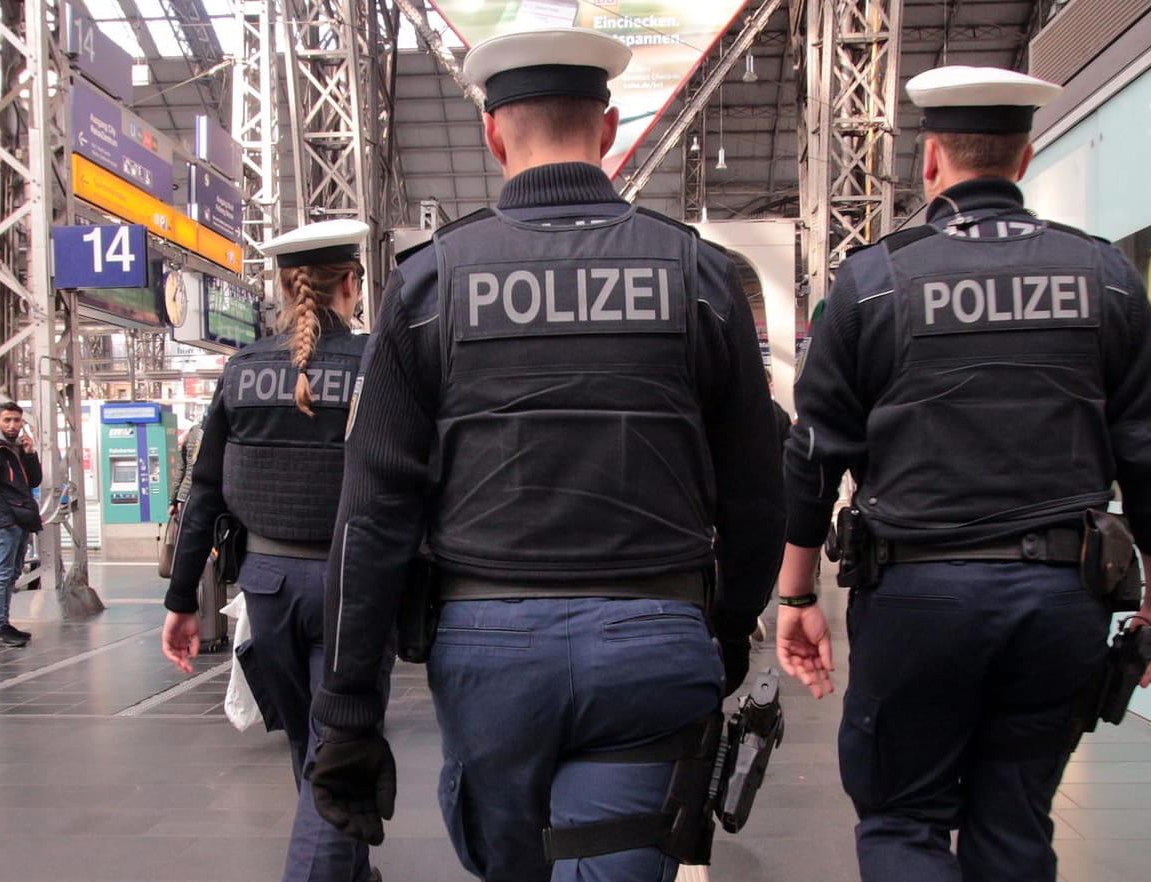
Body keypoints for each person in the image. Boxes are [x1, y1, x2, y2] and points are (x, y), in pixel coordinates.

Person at [304, 27, 784, 882]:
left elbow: (372, 514)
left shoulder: (429, 285)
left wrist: (347, 712)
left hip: (489, 649)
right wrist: (725, 625)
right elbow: (754, 486)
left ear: (494, 135)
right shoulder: (698, 276)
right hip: (655, 637)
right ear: (605, 128)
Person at [772, 66, 1151, 882]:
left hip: (916, 598)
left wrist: (795, 596)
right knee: (1014, 821)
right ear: (1025, 157)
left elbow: (814, 457)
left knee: (902, 819)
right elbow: (1149, 458)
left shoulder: (868, 284)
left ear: (930, 161)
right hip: (1060, 599)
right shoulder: (1105, 276)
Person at [161, 220, 388, 882]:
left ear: (284, 288)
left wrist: (181, 602)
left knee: (311, 742)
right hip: (350, 585)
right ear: (350, 284)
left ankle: (351, 870)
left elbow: (203, 494)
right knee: (334, 747)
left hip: (263, 587)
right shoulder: (375, 363)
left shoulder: (241, 371)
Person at [0, 401, 42, 648]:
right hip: (6, 522)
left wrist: (29, 453)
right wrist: (7, 519)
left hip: (21, 519)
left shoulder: (14, 448)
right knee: (2, 574)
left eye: (17, 420)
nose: (13, 425)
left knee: (12, 573)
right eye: (8, 420)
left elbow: (34, 480)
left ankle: (4, 623)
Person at [169, 418, 204, 520]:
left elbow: (181, 470)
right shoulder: (220, 431)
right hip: (209, 494)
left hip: (186, 494)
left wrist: (173, 501)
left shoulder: (192, 432)